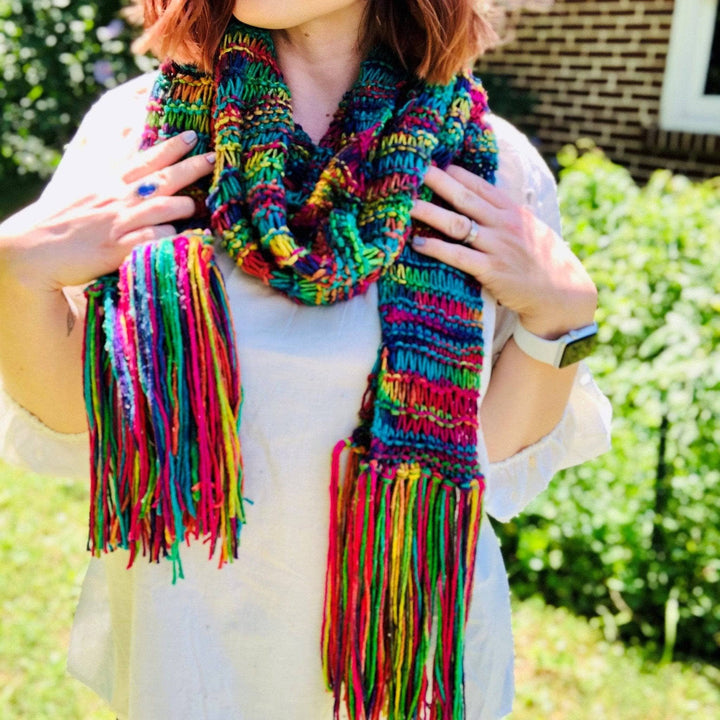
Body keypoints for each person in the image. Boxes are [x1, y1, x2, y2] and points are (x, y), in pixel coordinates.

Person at [0, 1, 611, 718]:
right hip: (190, 668)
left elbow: (487, 460)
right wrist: (16, 272)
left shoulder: (490, 167)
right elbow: (80, 420)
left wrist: (562, 316)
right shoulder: (137, 136)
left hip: (394, 678)